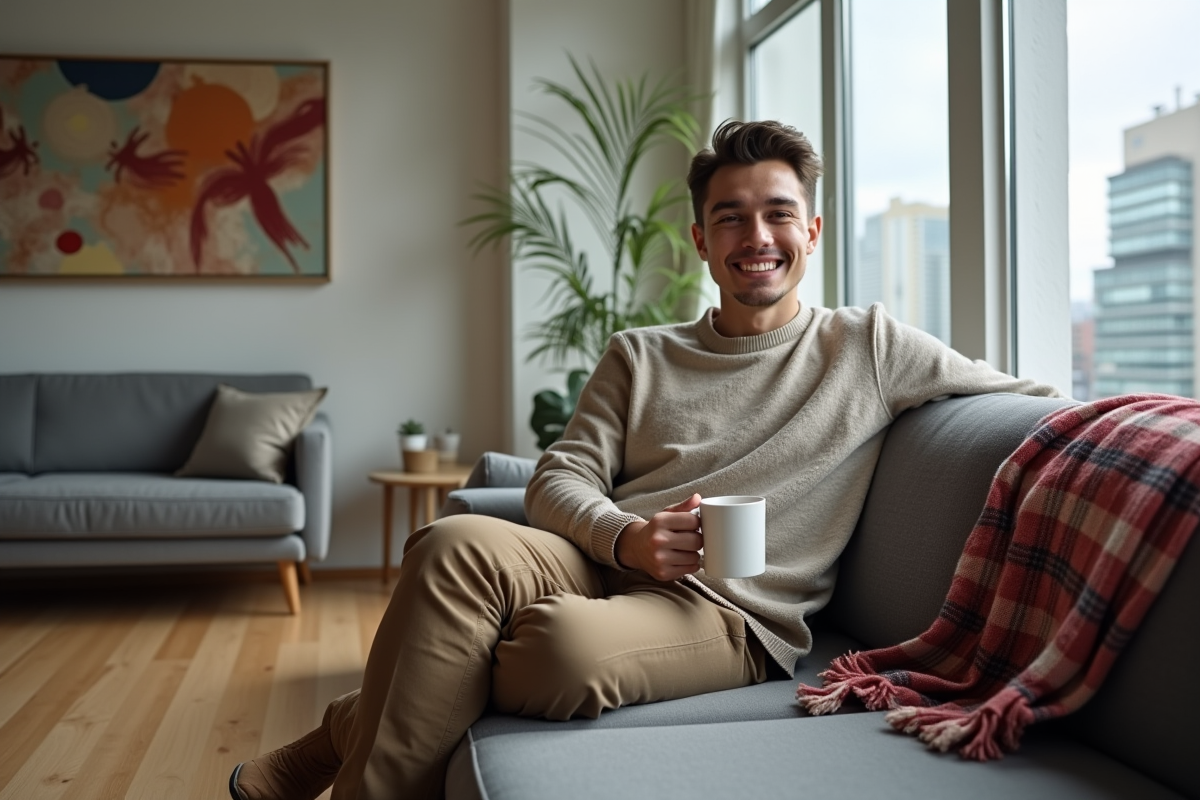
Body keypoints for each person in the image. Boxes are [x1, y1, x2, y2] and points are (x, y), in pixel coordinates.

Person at [229, 120, 1061, 800]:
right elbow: (561, 478)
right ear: (701, 238)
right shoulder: (640, 354)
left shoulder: (869, 347)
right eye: (731, 216)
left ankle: (347, 727)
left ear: (810, 230)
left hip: (729, 613)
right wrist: (626, 538)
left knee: (552, 656)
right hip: (600, 559)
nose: (756, 236)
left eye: (778, 213)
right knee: (451, 547)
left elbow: (1032, 400)